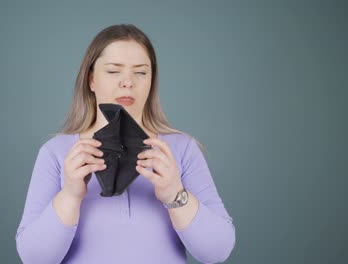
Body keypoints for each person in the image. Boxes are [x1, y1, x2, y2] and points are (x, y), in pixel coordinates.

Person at [15, 24, 236, 264]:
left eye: (141, 72)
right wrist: (70, 194)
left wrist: (175, 194)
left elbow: (217, 252)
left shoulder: (182, 150)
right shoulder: (56, 153)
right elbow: (34, 258)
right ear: (91, 79)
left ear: (152, 81)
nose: (127, 82)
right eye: (113, 71)